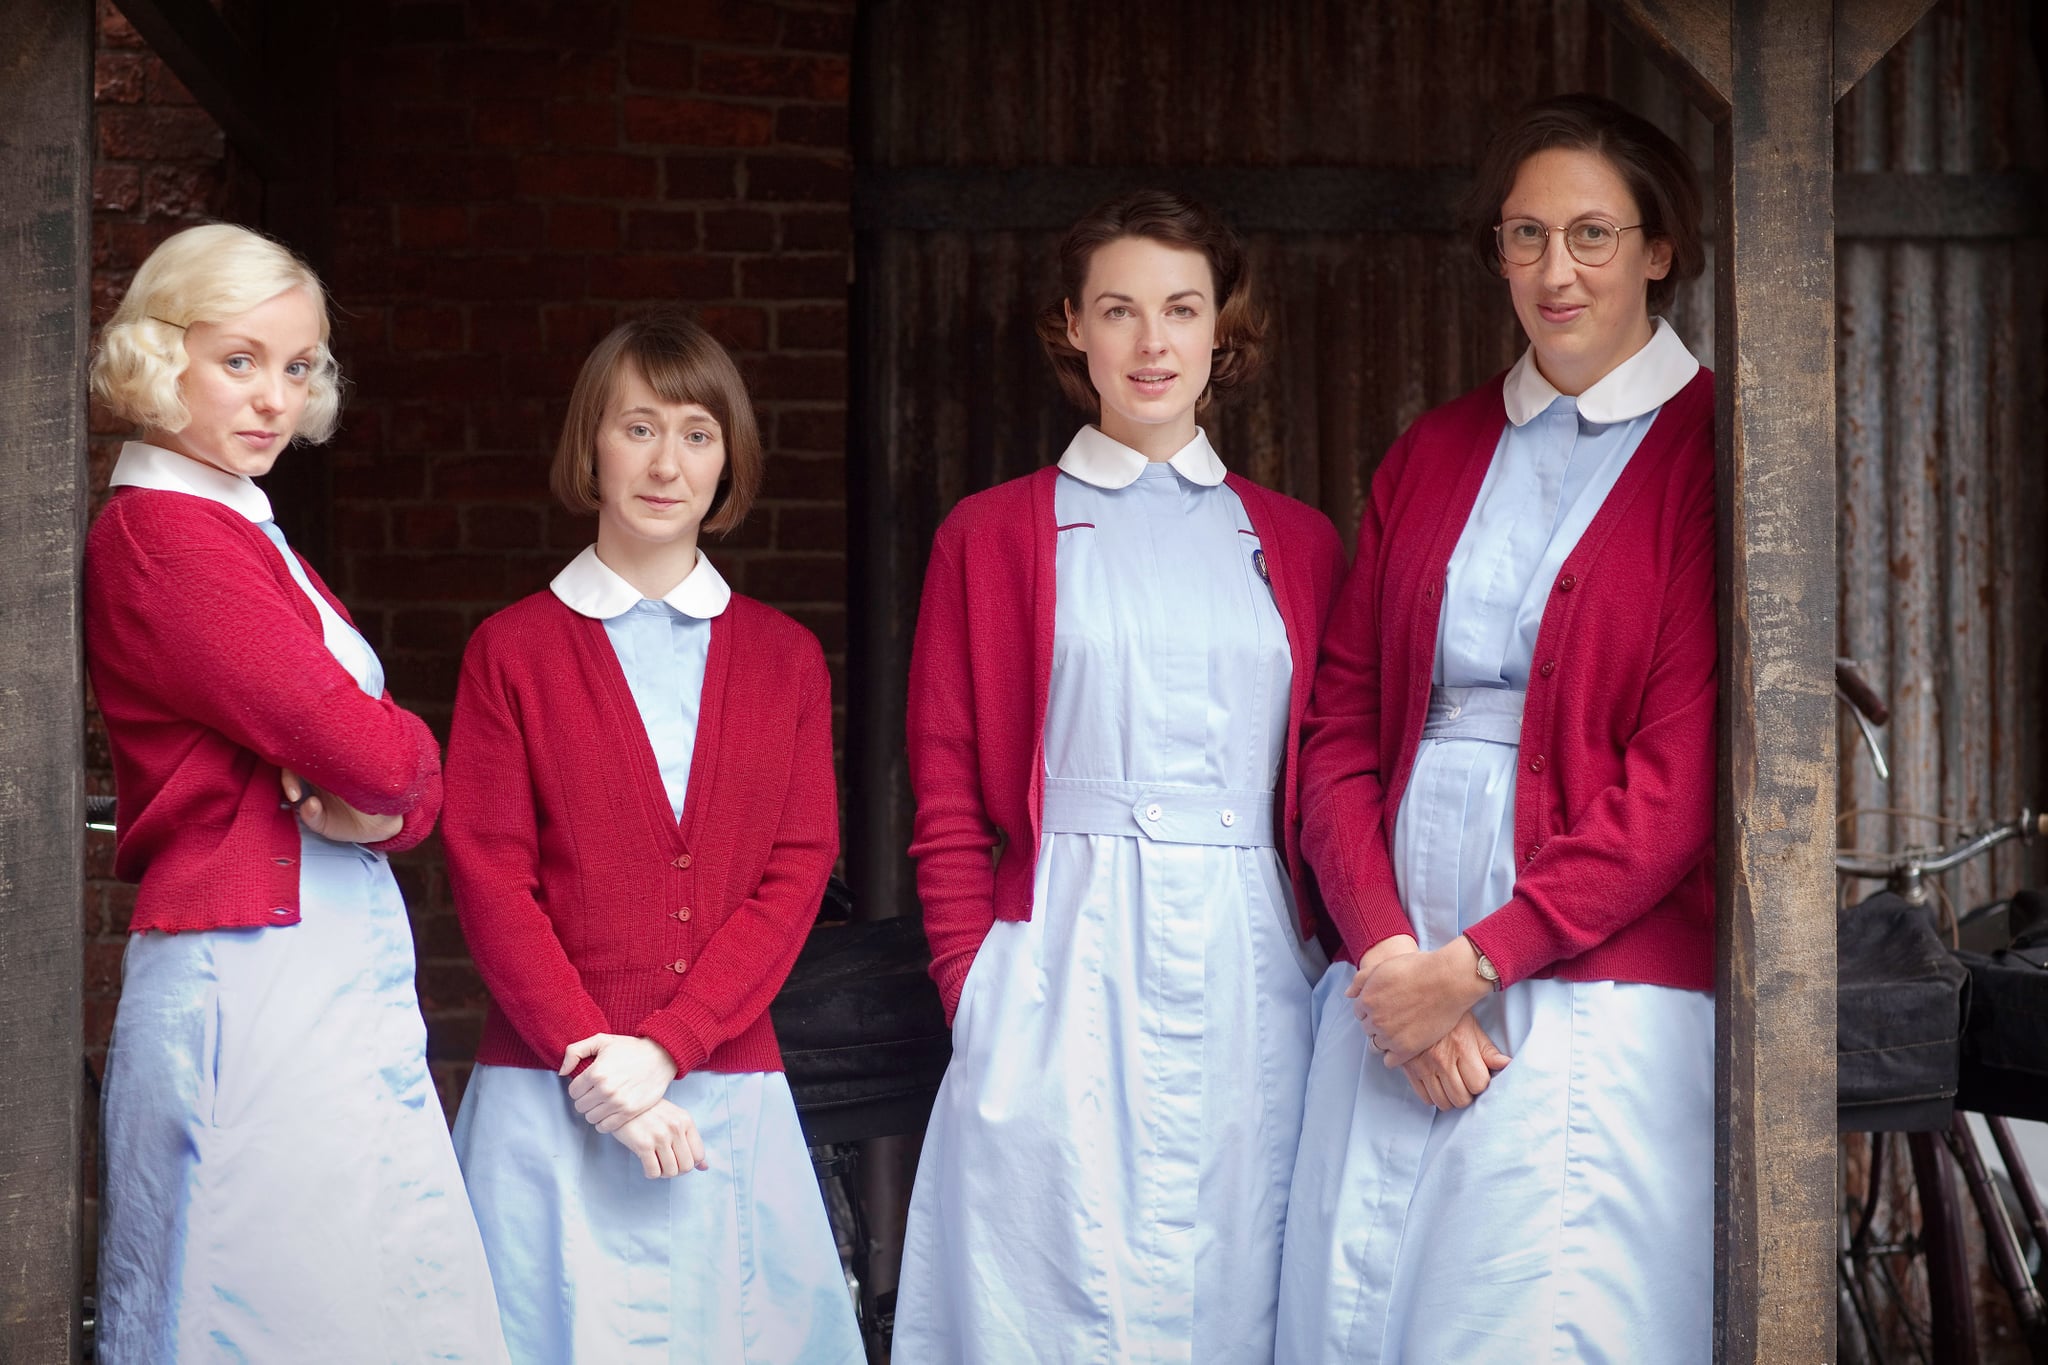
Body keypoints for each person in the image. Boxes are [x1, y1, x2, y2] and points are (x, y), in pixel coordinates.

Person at [1275, 93, 1716, 1362]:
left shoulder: (1716, 455)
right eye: (1523, 238)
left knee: (1525, 1316)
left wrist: (1471, 968)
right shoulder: (1432, 450)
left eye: (1589, 234)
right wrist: (1388, 966)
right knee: (1363, 1317)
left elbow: (1682, 776)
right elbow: (1340, 731)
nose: (1553, 270)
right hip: (1392, 968)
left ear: (1657, 247)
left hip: (1587, 975)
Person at [892, 190, 1350, 1363]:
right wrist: (972, 983)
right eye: (1119, 310)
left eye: (1180, 310)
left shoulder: (1295, 543)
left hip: (1252, 956)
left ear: (1218, 334)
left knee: (1239, 1273)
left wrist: (1319, 952)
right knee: (1050, 1283)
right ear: (1072, 331)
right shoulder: (991, 535)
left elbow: (1339, 773)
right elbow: (943, 791)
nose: (1151, 342)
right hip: (1058, 949)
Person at [84, 223, 507, 1362]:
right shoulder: (168, 537)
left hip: (310, 952)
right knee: (270, 1301)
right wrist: (401, 771)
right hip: (251, 964)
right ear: (160, 355)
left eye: (298, 365)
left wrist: (393, 787)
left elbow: (380, 778)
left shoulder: (236, 527)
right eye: (240, 360)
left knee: (355, 1297)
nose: (274, 396)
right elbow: (359, 749)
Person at [441, 315, 862, 1364]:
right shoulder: (512, 650)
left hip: (725, 1096)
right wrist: (599, 1066)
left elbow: (796, 868)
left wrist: (667, 1047)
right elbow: (489, 874)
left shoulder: (784, 659)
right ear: (591, 442)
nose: (667, 462)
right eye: (637, 427)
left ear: (730, 461)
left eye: (697, 433)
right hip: (547, 1099)